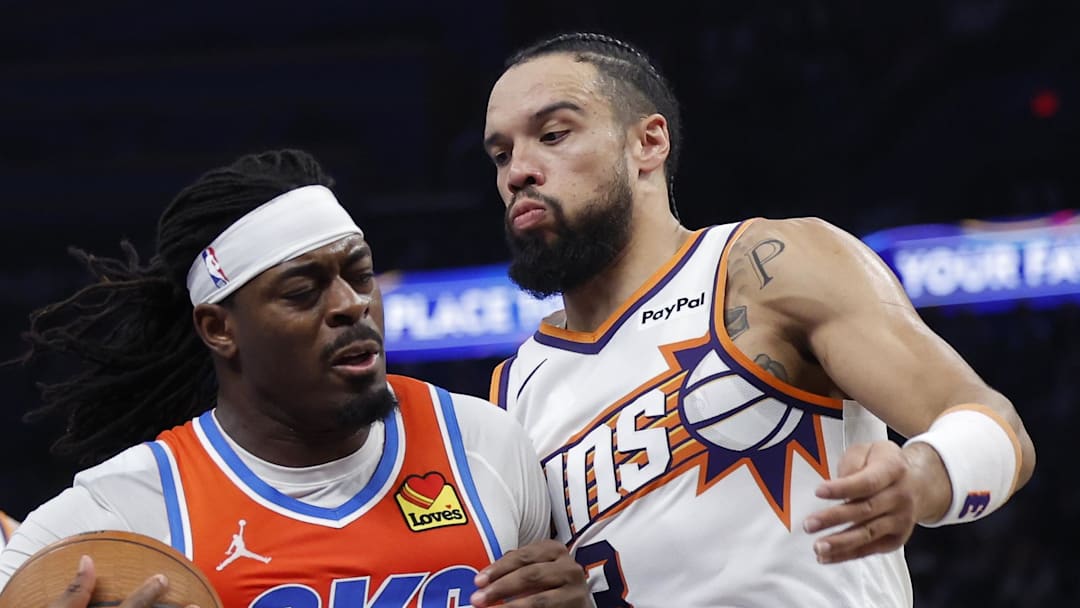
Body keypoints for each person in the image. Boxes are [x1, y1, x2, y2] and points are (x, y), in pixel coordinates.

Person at [481, 32, 1036, 607]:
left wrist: (920, 478)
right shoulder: (511, 396)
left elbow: (998, 429)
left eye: (552, 136)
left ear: (648, 143)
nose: (519, 171)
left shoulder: (767, 266)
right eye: (500, 155)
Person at [0, 149, 587, 608]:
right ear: (218, 328)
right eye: (303, 292)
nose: (351, 305)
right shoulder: (130, 504)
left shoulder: (484, 443)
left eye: (360, 276)